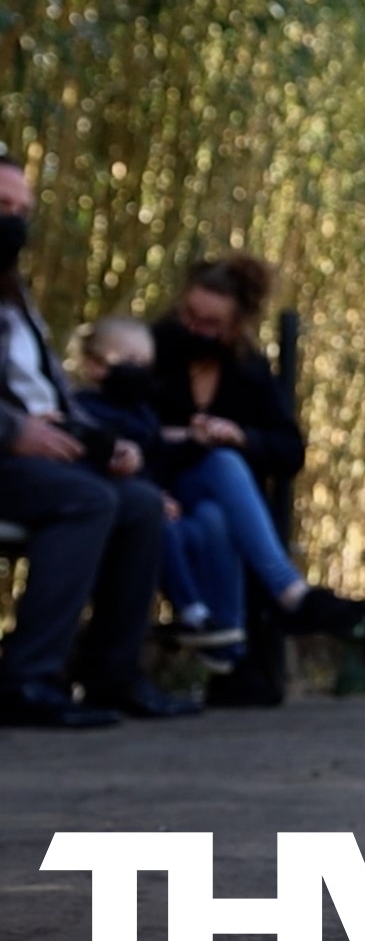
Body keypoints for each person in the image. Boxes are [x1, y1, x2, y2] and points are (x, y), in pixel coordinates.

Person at [0, 153, 198, 724]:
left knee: (138, 502)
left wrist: (104, 444)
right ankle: (27, 679)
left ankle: (112, 673)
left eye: (22, 210)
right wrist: (14, 430)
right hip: (9, 454)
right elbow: (21, 415)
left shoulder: (16, 295)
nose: (14, 220)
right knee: (87, 500)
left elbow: (50, 399)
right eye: (2, 207)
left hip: (40, 455)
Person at [147, 254, 365, 641]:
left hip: (215, 502)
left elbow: (290, 450)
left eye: (211, 323)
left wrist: (241, 435)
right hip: (158, 483)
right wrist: (183, 437)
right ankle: (290, 591)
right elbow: (124, 429)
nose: (196, 329)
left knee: (217, 506)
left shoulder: (250, 371)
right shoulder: (150, 351)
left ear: (236, 325)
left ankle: (224, 641)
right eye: (190, 316)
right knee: (224, 465)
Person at [69, 317, 248, 674]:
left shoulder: (144, 413)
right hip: (124, 504)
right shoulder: (84, 409)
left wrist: (193, 444)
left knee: (209, 519)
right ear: (94, 365)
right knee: (157, 523)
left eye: (144, 364)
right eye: (129, 362)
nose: (139, 372)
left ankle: (225, 629)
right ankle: (192, 612)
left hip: (158, 501)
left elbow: (159, 459)